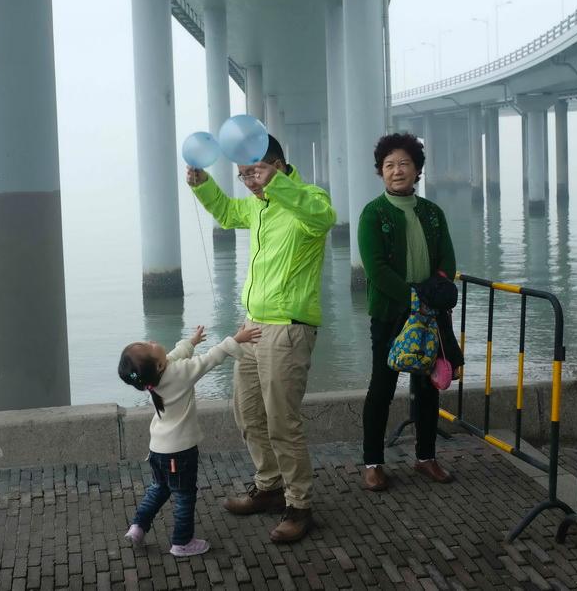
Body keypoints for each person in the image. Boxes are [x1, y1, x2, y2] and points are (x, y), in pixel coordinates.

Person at [186, 135, 336, 543]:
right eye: (243, 176)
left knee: (283, 421)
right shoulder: (258, 205)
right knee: (248, 412)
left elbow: (323, 218)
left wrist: (277, 184)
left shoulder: (308, 197)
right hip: (252, 326)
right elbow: (227, 212)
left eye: (254, 172)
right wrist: (203, 184)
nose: (250, 182)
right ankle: (269, 486)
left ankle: (299, 505)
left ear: (277, 165)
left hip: (288, 327)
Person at [357, 132, 459, 491]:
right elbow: (376, 269)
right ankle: (373, 463)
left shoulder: (433, 213)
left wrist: (432, 296)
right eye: (389, 165)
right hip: (390, 313)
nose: (396, 170)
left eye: (404, 164)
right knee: (382, 388)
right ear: (380, 172)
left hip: (431, 316)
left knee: (429, 388)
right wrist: (415, 298)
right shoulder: (373, 214)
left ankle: (426, 457)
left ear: (417, 170)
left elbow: (447, 260)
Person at [119, 323, 262, 556]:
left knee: (159, 489)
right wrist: (236, 339)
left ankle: (137, 527)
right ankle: (182, 543)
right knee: (185, 495)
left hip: (158, 450)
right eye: (148, 346)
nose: (152, 341)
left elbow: (174, 356)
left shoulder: (151, 379)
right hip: (179, 452)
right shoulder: (179, 373)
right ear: (158, 365)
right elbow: (209, 359)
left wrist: (191, 342)